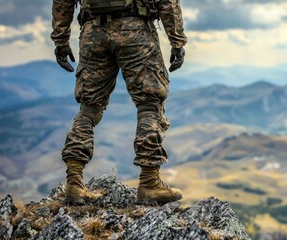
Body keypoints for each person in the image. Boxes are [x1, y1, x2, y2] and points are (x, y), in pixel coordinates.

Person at [51, 0, 187, 205]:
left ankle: (74, 183)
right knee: (149, 104)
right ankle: (150, 183)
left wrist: (61, 40)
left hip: (93, 32)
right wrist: (177, 41)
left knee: (89, 109)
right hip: (135, 31)